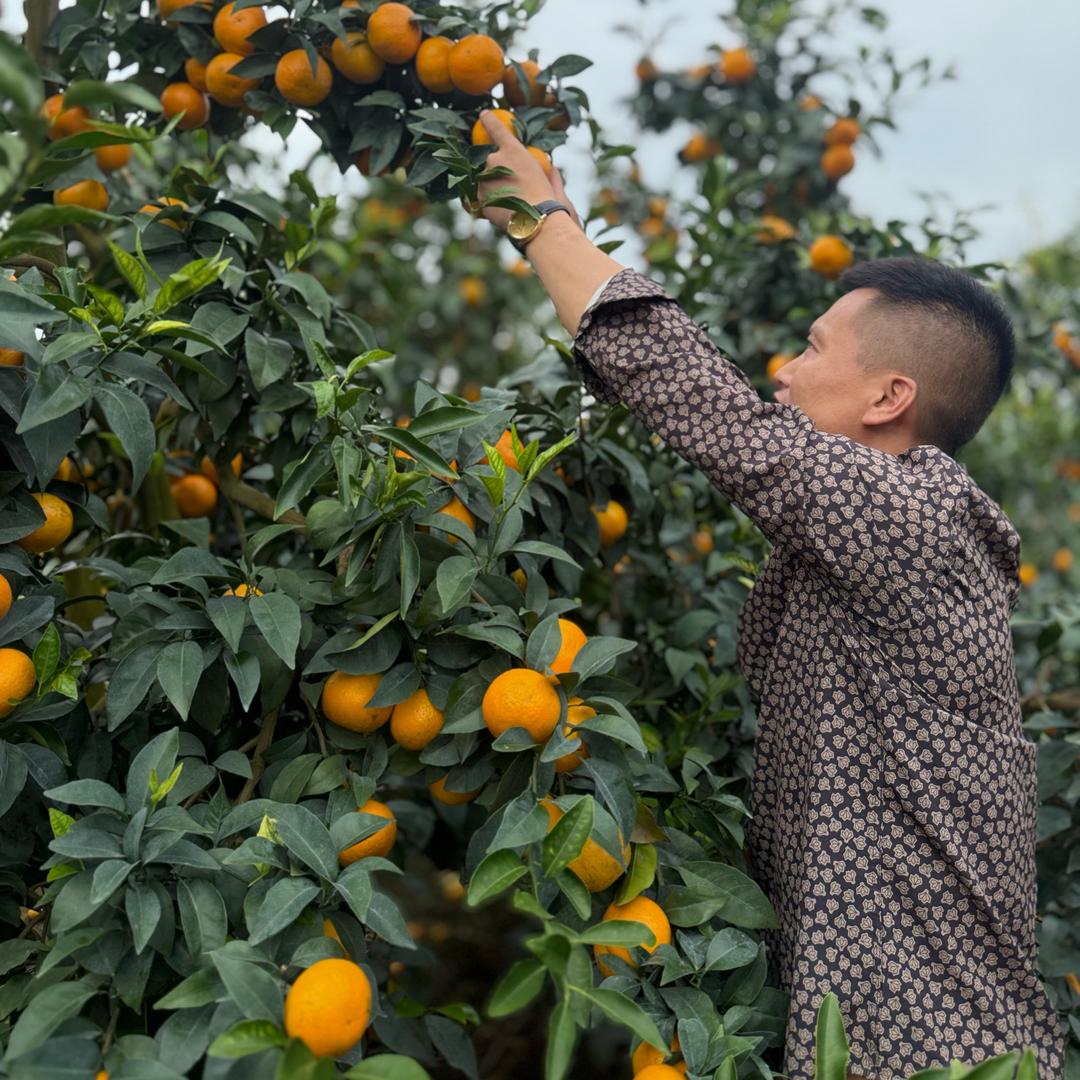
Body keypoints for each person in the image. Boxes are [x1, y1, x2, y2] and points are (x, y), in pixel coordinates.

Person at [473, 111, 1067, 1080]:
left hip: (942, 1059)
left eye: (814, 347)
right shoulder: (861, 543)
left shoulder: (912, 516)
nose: (784, 370)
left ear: (889, 398)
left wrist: (545, 223)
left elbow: (716, 417)